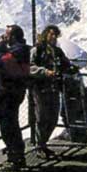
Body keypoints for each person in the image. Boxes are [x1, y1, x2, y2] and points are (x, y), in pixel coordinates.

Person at [30, 25, 77, 158]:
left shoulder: (57, 51)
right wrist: (45, 72)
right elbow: (30, 67)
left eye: (56, 35)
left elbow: (65, 64)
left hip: (54, 88)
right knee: (41, 118)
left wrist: (71, 69)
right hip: (40, 88)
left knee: (53, 119)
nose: (54, 37)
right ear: (46, 35)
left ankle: (43, 144)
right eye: (51, 34)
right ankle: (39, 146)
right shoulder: (37, 50)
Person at [0, 25, 31, 170]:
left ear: (13, 37)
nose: (5, 37)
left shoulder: (17, 50)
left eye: (7, 35)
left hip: (8, 94)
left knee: (8, 127)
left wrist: (0, 46)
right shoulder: (22, 49)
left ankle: (15, 158)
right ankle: (16, 156)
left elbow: (0, 63)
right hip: (15, 92)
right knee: (12, 125)